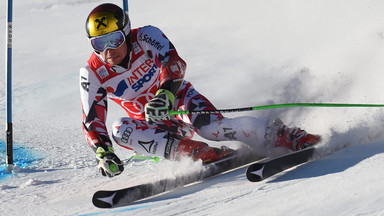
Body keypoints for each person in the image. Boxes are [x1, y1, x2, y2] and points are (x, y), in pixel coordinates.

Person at [80, 3, 320, 177]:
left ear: (126, 33)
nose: (108, 50)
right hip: (155, 125)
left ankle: (284, 135)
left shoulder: (145, 36)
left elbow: (174, 63)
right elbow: (92, 121)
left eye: (114, 40)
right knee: (120, 129)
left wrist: (165, 94)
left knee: (212, 129)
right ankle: (199, 153)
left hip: (178, 100)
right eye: (99, 44)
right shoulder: (92, 72)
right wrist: (105, 153)